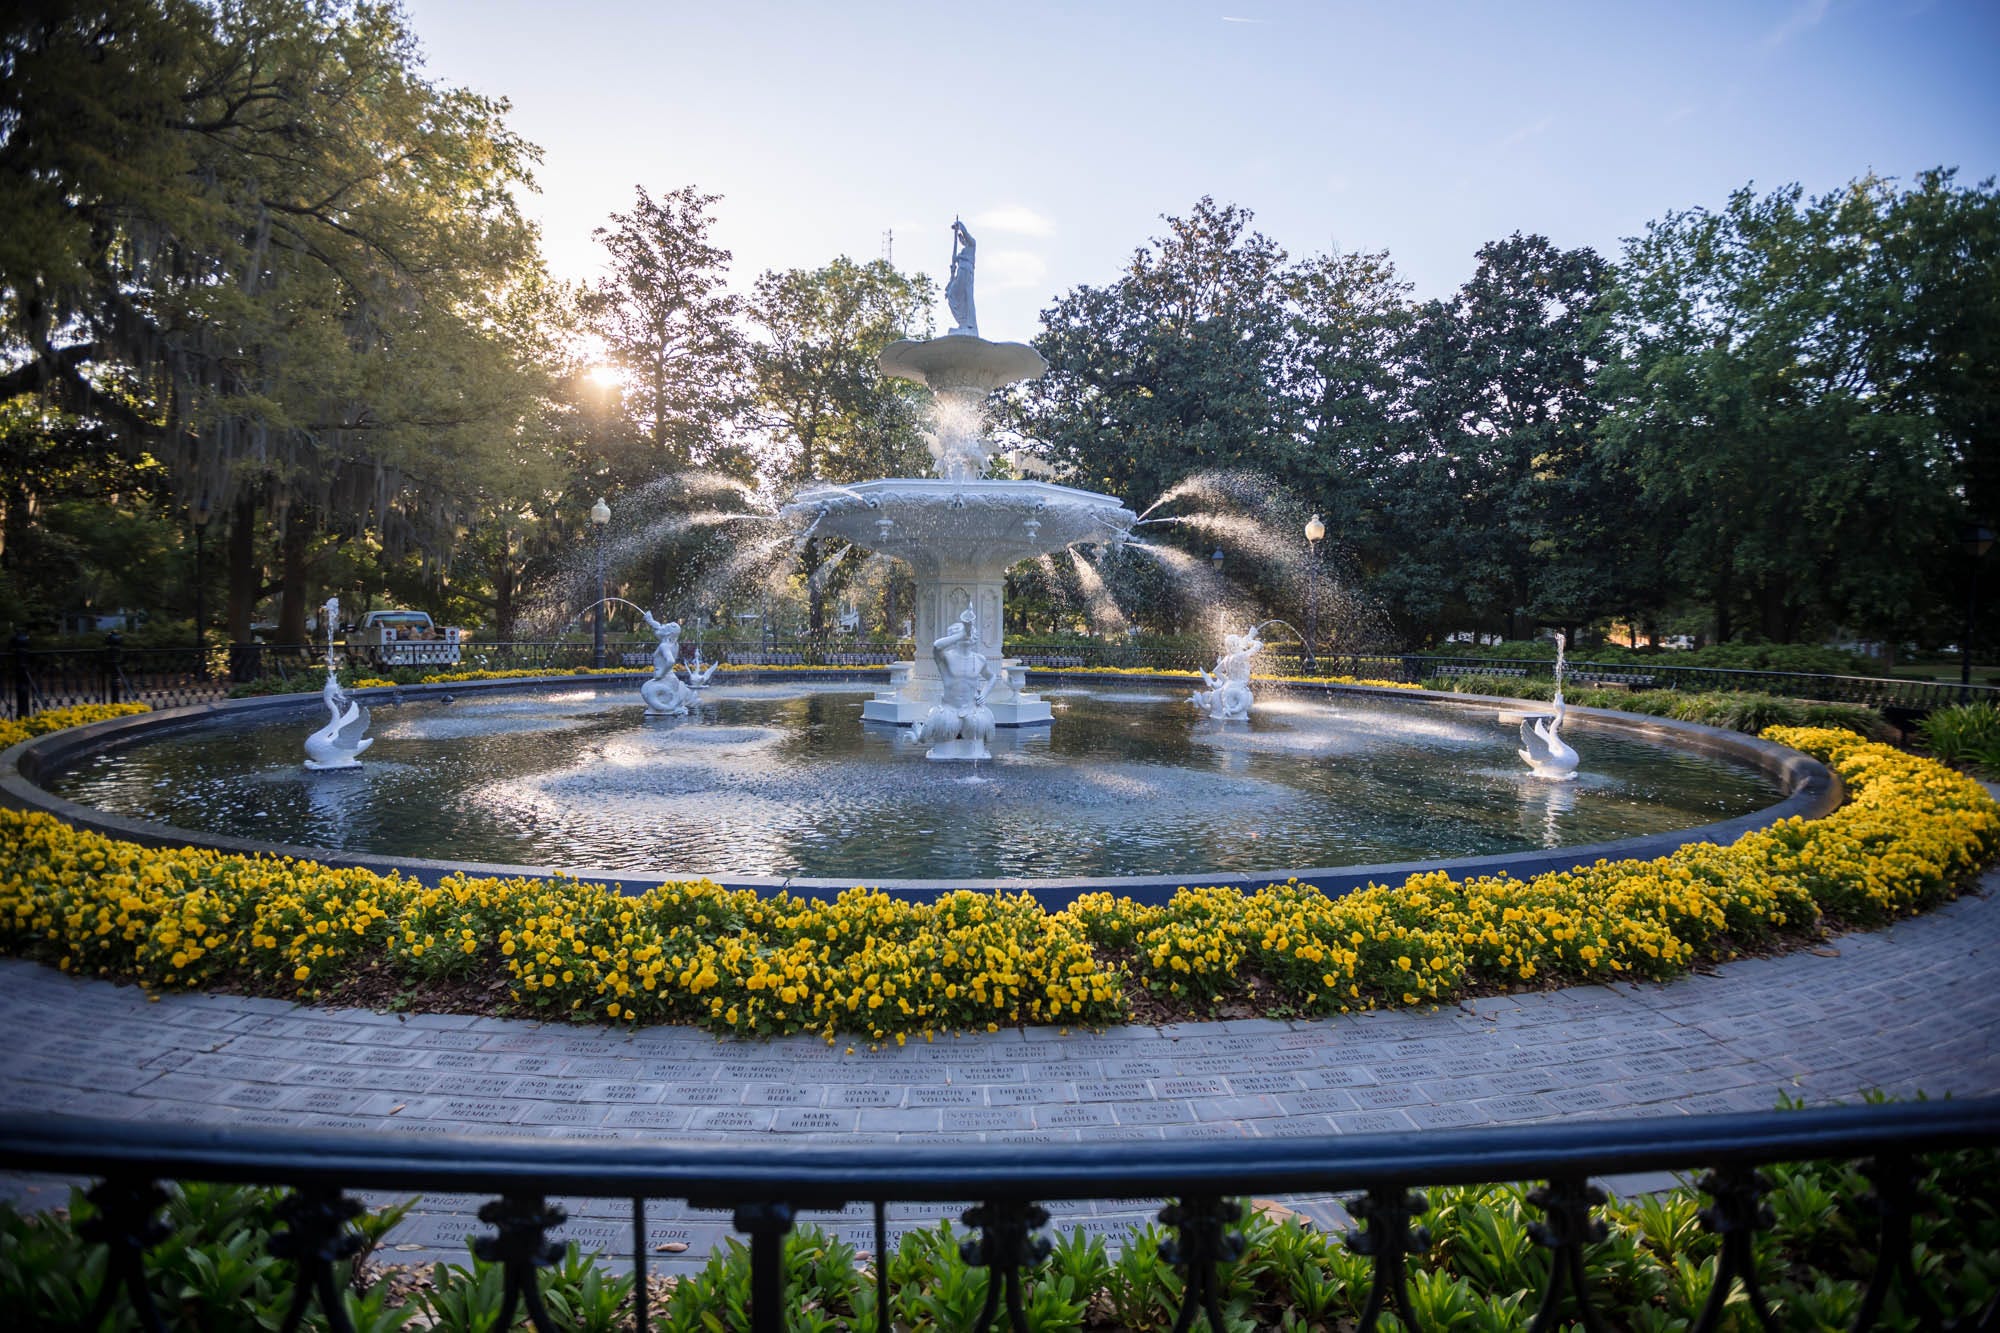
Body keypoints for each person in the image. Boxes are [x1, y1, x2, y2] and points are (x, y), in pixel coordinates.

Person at [913, 609, 998, 755]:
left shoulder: (979, 659)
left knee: (976, 750)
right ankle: (919, 735)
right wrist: (962, 634)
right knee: (943, 750)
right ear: (954, 637)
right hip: (948, 710)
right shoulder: (946, 658)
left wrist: (984, 694)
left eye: (969, 632)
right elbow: (936, 645)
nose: (967, 635)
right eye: (960, 632)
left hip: (972, 711)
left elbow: (992, 677)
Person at [945, 220, 978, 337]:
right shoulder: (963, 252)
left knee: (963, 296)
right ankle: (963, 323)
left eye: (962, 239)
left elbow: (966, 234)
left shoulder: (972, 245)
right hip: (961, 272)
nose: (961, 240)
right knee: (951, 294)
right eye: (959, 239)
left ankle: (968, 325)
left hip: (966, 271)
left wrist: (959, 226)